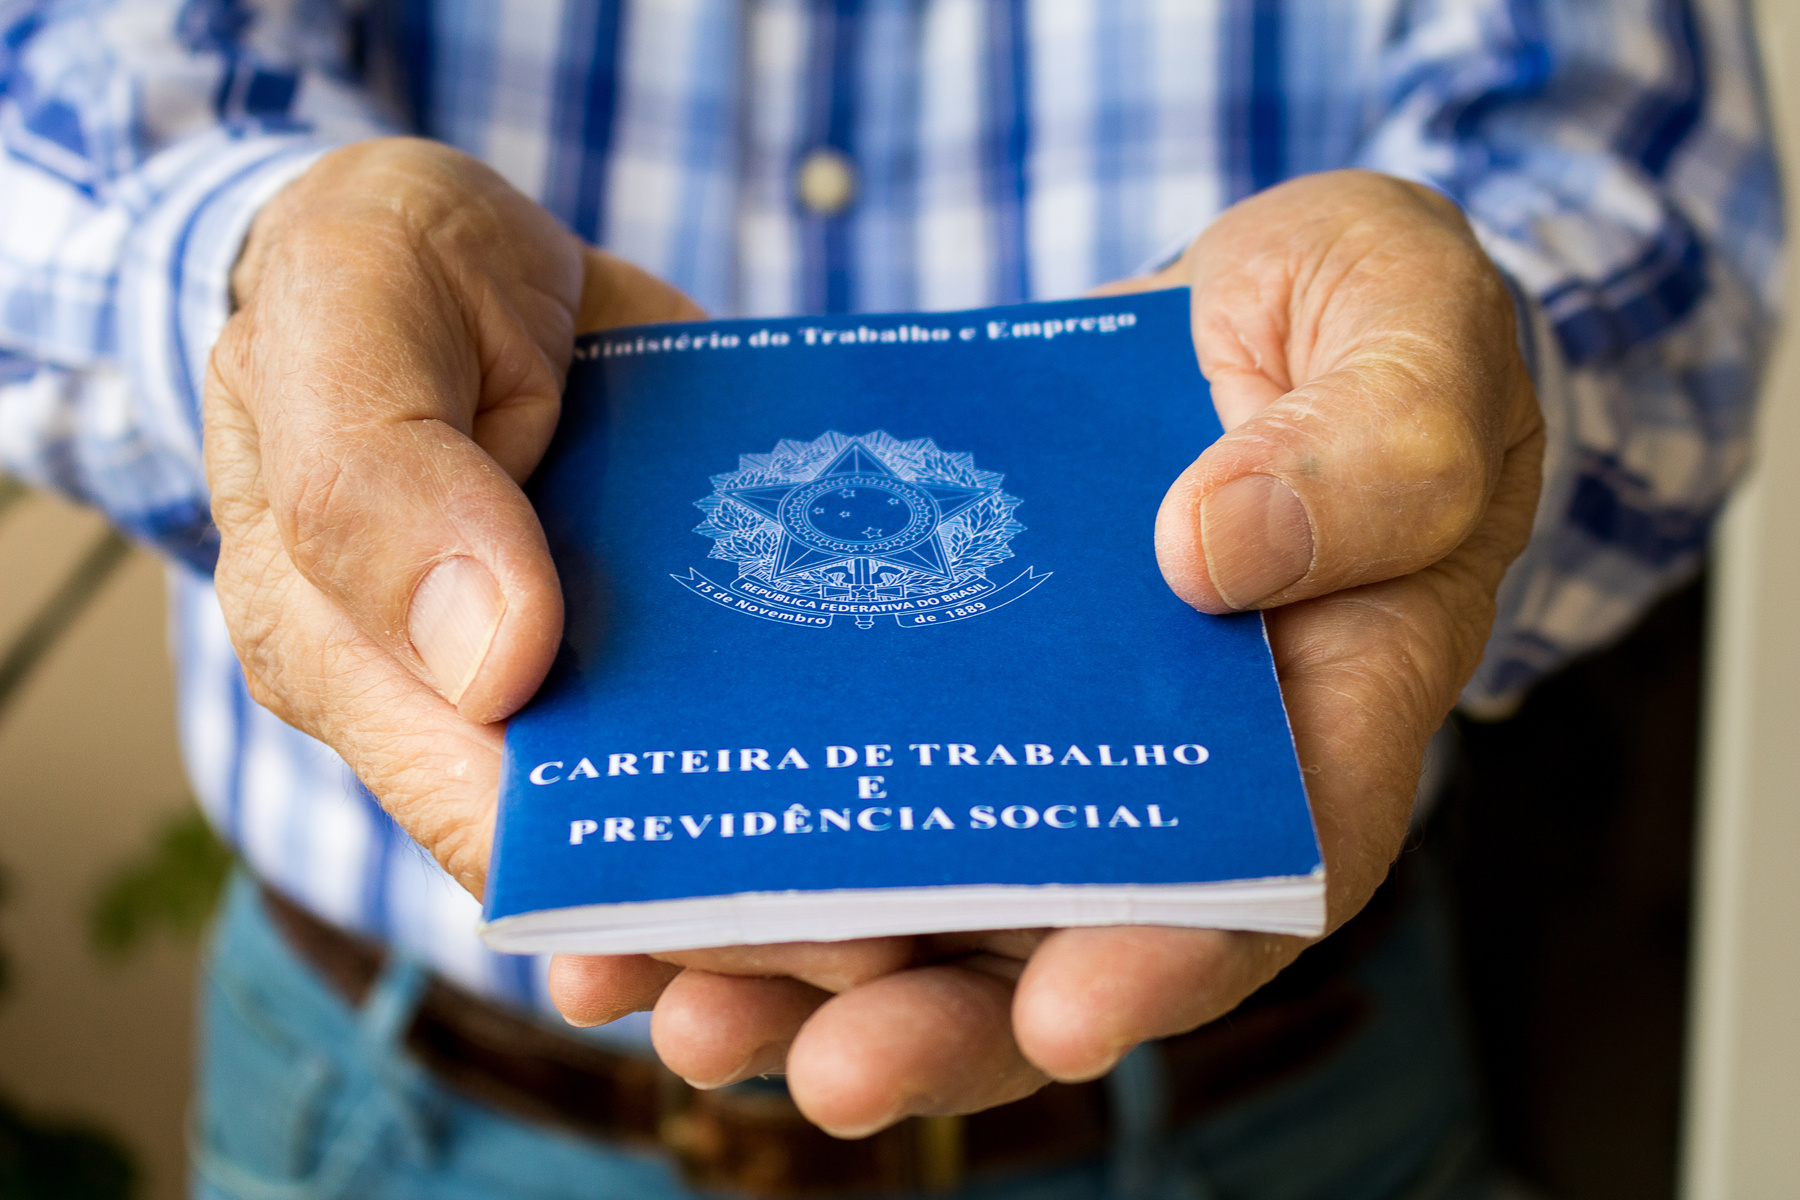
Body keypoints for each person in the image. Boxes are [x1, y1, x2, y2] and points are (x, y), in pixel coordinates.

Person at [0, 1, 1778, 1196]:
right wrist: (272, 315)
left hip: (1269, 1108)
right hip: (397, 1114)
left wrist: (1455, 401)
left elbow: (1651, 207)